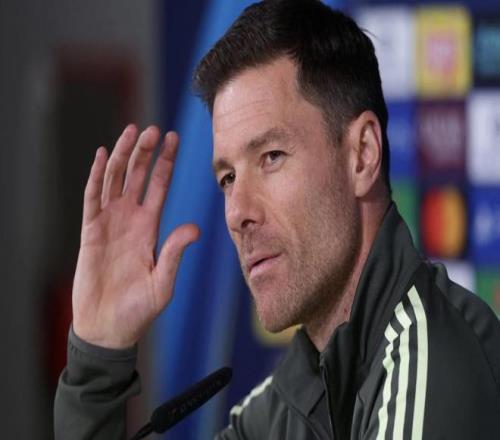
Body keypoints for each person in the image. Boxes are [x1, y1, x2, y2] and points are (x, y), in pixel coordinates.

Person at [54, 0, 500, 439]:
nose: (237, 212)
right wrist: (98, 361)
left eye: (271, 157)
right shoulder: (293, 394)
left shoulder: (432, 364)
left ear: (362, 155)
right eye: (228, 178)